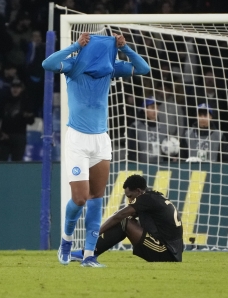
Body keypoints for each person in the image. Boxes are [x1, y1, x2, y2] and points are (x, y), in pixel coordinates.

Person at [42, 32, 150, 267]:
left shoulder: (110, 68)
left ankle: (89, 254)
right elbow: (47, 63)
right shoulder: (73, 65)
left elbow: (143, 69)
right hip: (77, 139)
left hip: (101, 139)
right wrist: (75, 45)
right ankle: (66, 241)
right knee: (80, 199)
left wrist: (125, 47)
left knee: (96, 198)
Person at [71, 174, 184, 263]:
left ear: (139, 191)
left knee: (124, 220)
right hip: (173, 251)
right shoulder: (154, 197)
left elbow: (119, 216)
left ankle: (86, 252)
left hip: (165, 251)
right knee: (127, 219)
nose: (130, 200)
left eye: (130, 196)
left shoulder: (145, 199)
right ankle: (88, 252)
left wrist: (96, 234)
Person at [128, 97, 169, 163]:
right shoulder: (135, 127)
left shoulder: (164, 128)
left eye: (157, 108)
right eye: (153, 107)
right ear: (145, 109)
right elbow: (132, 151)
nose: (155, 110)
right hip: (141, 167)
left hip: (161, 168)